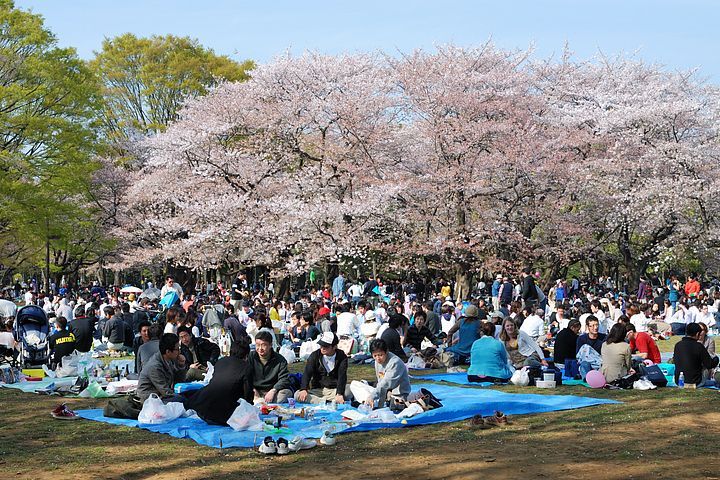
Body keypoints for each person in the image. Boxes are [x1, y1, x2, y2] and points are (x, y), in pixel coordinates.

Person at [184, 339, 254, 426]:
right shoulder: (246, 368)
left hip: (202, 409)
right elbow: (248, 397)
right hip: (224, 416)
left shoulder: (221, 361)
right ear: (247, 355)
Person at [295, 332, 349, 404]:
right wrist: (304, 389)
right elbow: (307, 373)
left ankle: (333, 400)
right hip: (318, 390)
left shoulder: (341, 356)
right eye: (321, 345)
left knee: (349, 390)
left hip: (334, 390)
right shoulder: (315, 355)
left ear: (334, 346)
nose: (322, 348)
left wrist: (339, 393)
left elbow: (342, 376)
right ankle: (326, 402)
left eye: (326, 346)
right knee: (297, 395)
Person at [136, 333, 187, 403]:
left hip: (161, 395)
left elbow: (179, 381)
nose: (179, 352)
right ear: (168, 351)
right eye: (177, 349)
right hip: (150, 399)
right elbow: (165, 391)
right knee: (183, 400)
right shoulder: (155, 366)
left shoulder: (170, 359)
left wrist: (181, 365)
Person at [365, 338, 411, 408]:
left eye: (380, 355)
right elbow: (380, 381)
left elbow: (385, 384)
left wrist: (372, 396)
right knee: (355, 385)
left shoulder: (394, 362)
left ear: (387, 351)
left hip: (398, 393)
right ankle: (368, 401)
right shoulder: (377, 361)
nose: (378, 358)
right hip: (384, 391)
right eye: (375, 356)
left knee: (395, 404)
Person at [248, 331, 292, 403]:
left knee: (286, 393)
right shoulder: (251, 357)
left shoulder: (280, 360)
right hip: (255, 391)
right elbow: (245, 376)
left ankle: (264, 402)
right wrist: (252, 389)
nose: (260, 348)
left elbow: (284, 379)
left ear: (270, 345)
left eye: (263, 345)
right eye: (257, 345)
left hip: (272, 391)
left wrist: (274, 390)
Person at [673, 322, 719, 386]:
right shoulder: (699, 346)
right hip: (696, 382)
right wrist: (716, 359)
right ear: (697, 334)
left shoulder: (678, 345)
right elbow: (709, 365)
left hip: (678, 381)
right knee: (706, 367)